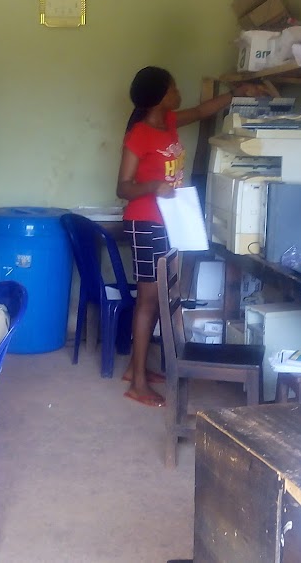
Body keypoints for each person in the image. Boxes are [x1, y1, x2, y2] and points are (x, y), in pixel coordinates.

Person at [117, 66, 261, 406]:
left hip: (169, 222)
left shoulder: (167, 122)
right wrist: (153, 186)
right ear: (160, 96)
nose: (178, 93)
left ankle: (135, 368)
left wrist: (237, 94)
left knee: (159, 299)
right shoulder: (139, 134)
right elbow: (122, 187)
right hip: (146, 222)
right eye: (173, 88)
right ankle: (137, 383)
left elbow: (200, 111)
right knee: (148, 301)